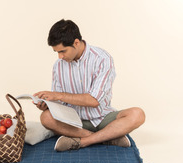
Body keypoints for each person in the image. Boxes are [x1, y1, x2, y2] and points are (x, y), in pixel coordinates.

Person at [33, 19, 145, 152]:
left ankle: (84, 141)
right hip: (73, 122)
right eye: (56, 52)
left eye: (63, 51)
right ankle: (106, 138)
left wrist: (59, 95)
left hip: (102, 118)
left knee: (138, 114)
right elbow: (59, 103)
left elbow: (94, 101)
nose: (60, 57)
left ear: (76, 42)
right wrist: (47, 104)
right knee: (46, 117)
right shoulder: (58, 66)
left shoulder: (102, 59)